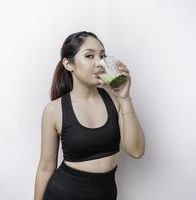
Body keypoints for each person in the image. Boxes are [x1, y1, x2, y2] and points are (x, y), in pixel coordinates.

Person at [34, 31, 145, 200]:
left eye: (102, 56)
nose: (99, 62)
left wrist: (124, 98)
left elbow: (136, 151)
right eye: (89, 56)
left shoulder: (116, 101)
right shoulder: (54, 110)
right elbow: (46, 167)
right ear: (68, 64)